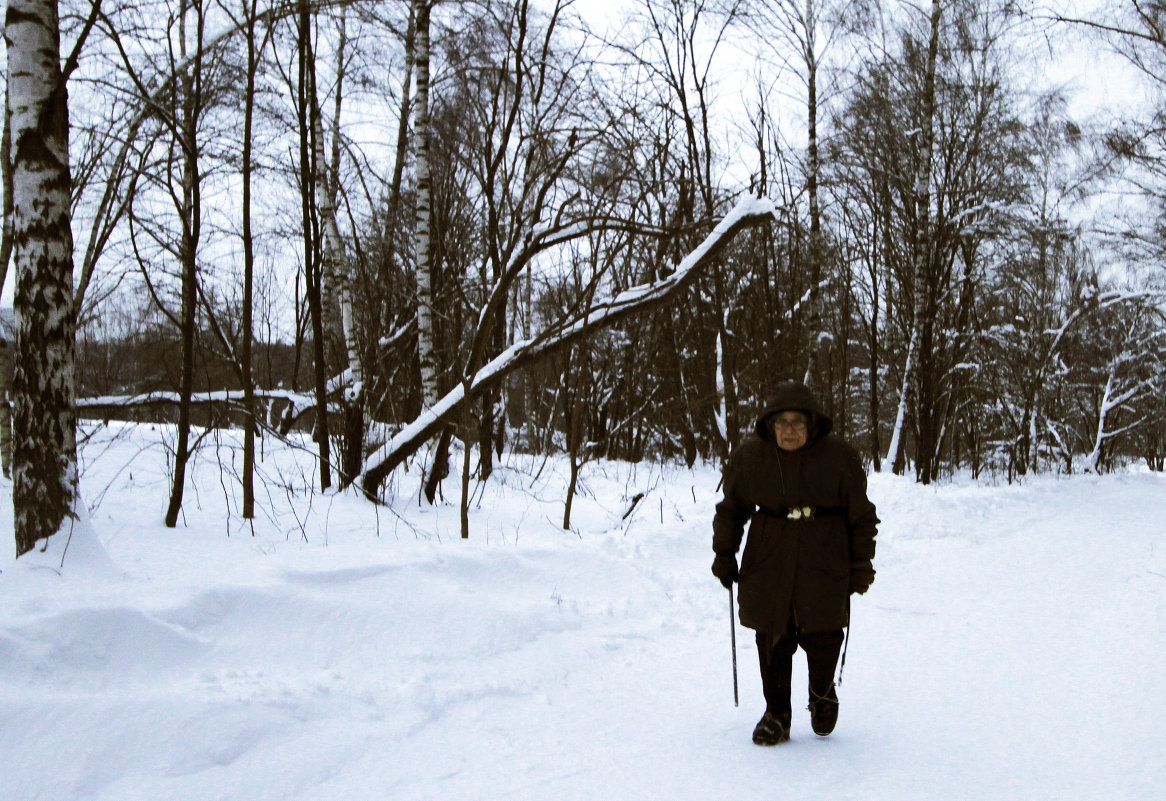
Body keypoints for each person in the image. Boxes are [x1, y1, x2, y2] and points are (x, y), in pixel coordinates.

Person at [711, 379, 878, 745]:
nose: (789, 431)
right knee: (772, 635)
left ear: (812, 424)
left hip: (824, 554)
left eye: (797, 423)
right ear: (770, 424)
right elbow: (731, 509)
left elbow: (862, 516)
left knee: (823, 633)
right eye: (781, 423)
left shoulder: (839, 457)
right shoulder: (750, 456)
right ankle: (777, 715)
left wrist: (860, 563)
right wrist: (724, 552)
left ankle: (821, 695)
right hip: (769, 553)